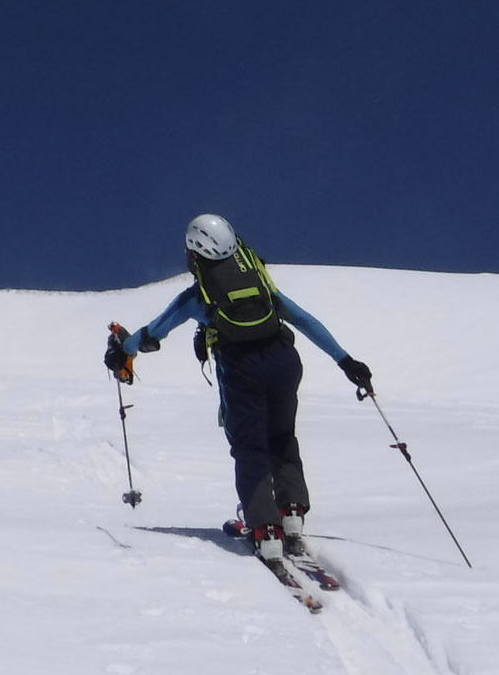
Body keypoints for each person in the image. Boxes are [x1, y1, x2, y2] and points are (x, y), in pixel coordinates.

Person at [104, 214, 372, 563]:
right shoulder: (260, 283)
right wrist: (346, 361)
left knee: (249, 445)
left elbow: (153, 333)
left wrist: (121, 349)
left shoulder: (198, 297)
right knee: (282, 437)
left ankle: (264, 529)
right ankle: (290, 515)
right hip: (284, 361)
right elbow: (304, 320)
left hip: (242, 369)